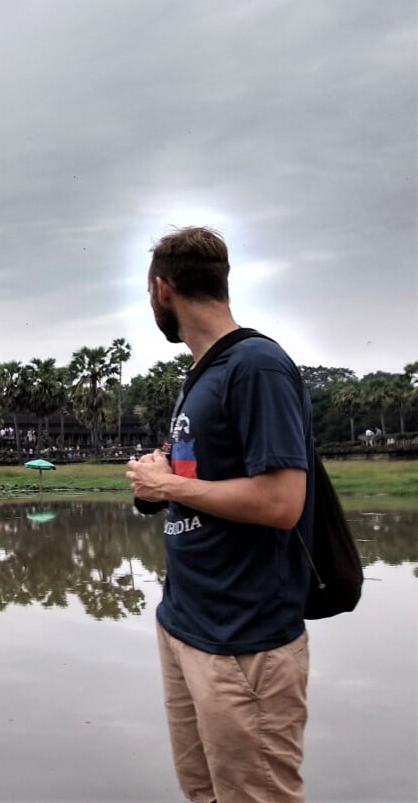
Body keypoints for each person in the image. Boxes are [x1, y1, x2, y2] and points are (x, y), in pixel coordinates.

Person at [126, 226, 314, 803]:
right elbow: (208, 481)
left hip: (244, 638)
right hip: (187, 621)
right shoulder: (202, 376)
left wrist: (175, 487)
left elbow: (281, 503)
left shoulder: (255, 366)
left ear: (162, 290)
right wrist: (160, 482)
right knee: (205, 793)